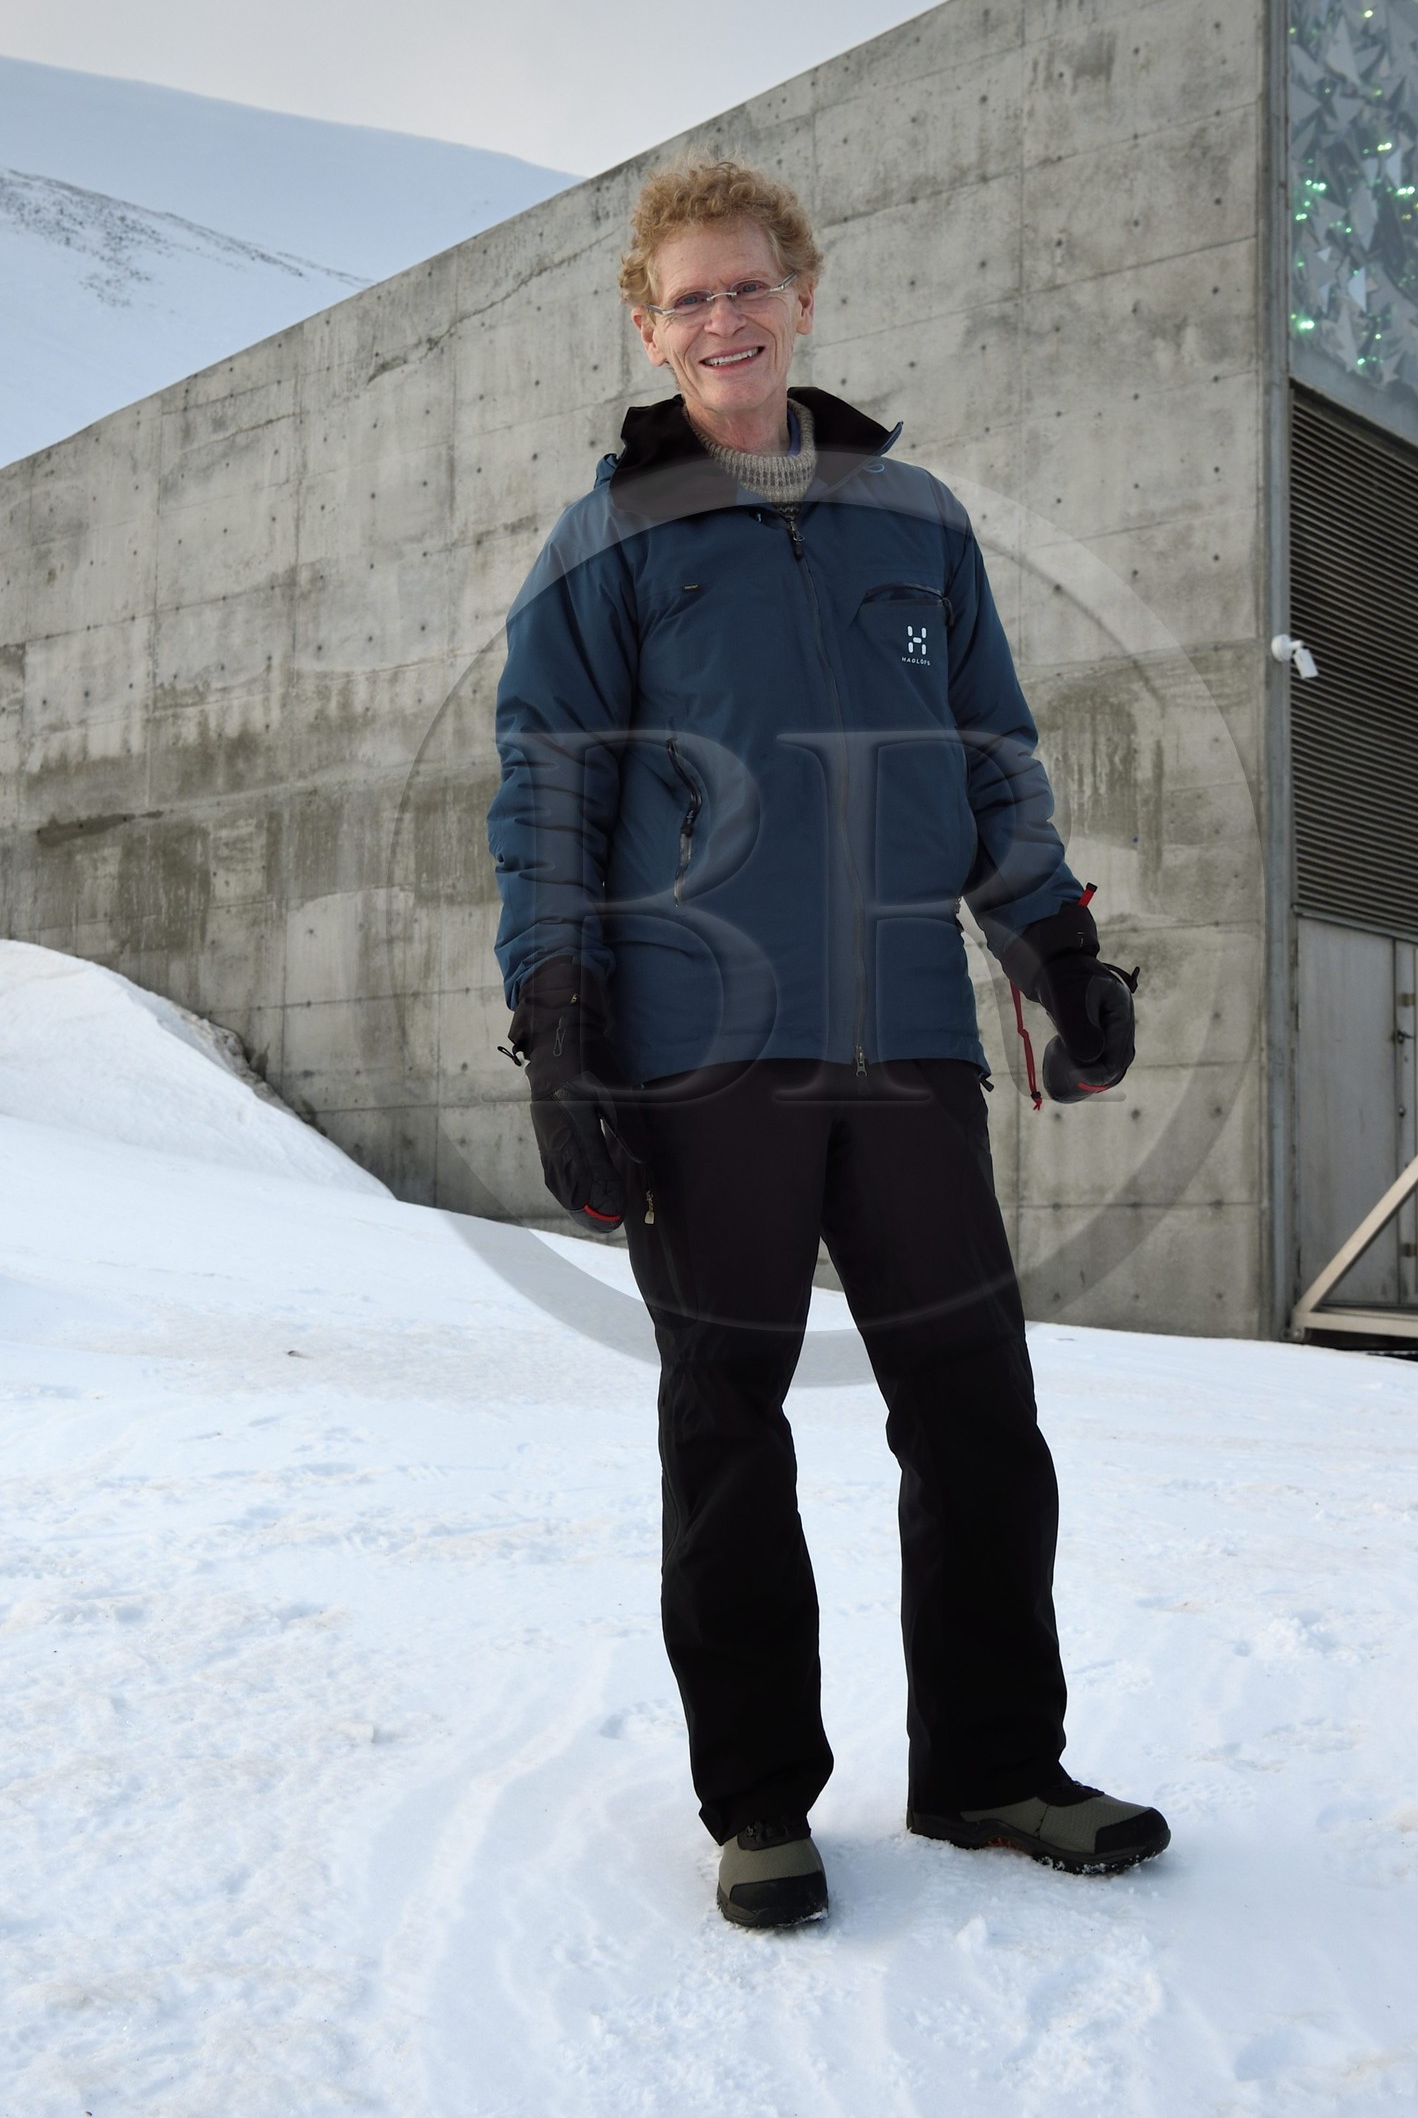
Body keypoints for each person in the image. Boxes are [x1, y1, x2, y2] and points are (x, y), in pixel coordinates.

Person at [488, 158, 1169, 1930]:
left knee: (976, 1417)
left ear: (803, 295)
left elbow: (987, 755)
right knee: (730, 1424)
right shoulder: (609, 539)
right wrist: (558, 1027)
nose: (725, 319)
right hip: (700, 1050)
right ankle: (761, 1804)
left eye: (751, 288)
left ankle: (997, 1767)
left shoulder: (916, 518)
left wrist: (1060, 948)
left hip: (911, 1047)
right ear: (649, 326)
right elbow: (546, 793)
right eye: (689, 298)